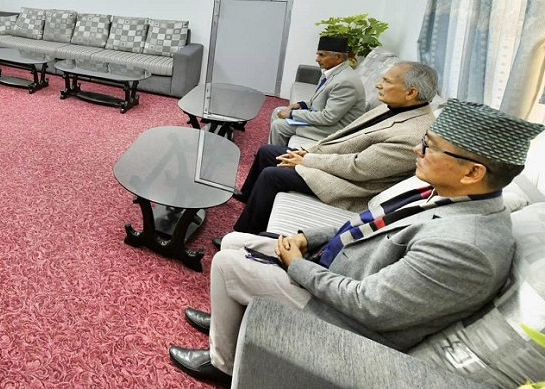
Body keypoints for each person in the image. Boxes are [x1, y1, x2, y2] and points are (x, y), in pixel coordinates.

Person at [169, 98, 541, 384]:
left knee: (227, 263)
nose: (417, 150)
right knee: (236, 241)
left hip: (344, 317)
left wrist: (297, 266)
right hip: (335, 267)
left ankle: (222, 363)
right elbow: (366, 224)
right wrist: (306, 237)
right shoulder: (446, 194)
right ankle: (228, 318)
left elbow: (371, 307)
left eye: (430, 147)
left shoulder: (465, 246)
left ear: (473, 172)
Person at [227, 62, 438, 239]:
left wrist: (307, 160)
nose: (378, 85)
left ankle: (244, 235)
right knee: (268, 152)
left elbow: (359, 168)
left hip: (352, 186)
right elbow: (346, 137)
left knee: (273, 176)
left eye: (387, 81)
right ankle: (249, 197)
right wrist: (307, 152)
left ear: (411, 93)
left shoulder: (411, 135)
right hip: (340, 165)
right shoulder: (392, 107)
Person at [268, 36, 366, 146]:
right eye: (318, 54)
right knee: (278, 112)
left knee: (279, 126)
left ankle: (273, 154)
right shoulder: (331, 72)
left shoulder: (345, 82)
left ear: (338, 57)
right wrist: (302, 105)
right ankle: (271, 149)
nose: (317, 59)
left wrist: (291, 114)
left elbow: (328, 118)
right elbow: (321, 102)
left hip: (335, 129)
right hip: (326, 122)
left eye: (322, 55)